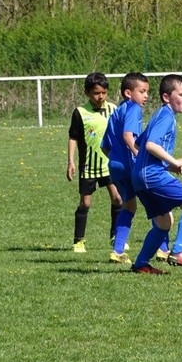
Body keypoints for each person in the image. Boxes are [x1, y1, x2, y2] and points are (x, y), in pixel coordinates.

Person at [130, 74, 182, 274]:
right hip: (152, 175)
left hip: (140, 177)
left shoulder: (159, 114)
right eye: (181, 94)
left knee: (164, 223)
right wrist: (174, 161)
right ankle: (179, 251)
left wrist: (166, 165)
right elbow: (150, 145)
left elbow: (138, 144)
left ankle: (141, 264)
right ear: (166, 97)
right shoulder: (166, 116)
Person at [101, 72, 168, 264]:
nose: (146, 96)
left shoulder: (117, 111)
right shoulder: (133, 108)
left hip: (115, 167)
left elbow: (104, 146)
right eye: (142, 91)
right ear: (128, 93)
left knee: (129, 206)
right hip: (131, 166)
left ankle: (117, 250)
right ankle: (163, 249)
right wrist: (139, 155)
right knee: (156, 202)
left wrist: (116, 160)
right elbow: (128, 136)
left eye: (147, 92)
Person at [66, 72, 121, 253]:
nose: (100, 97)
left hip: (109, 165)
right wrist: (71, 161)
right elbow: (73, 138)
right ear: (87, 93)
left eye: (104, 92)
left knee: (118, 199)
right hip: (89, 166)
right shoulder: (80, 112)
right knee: (85, 203)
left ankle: (116, 237)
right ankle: (78, 241)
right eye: (96, 93)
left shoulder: (113, 109)